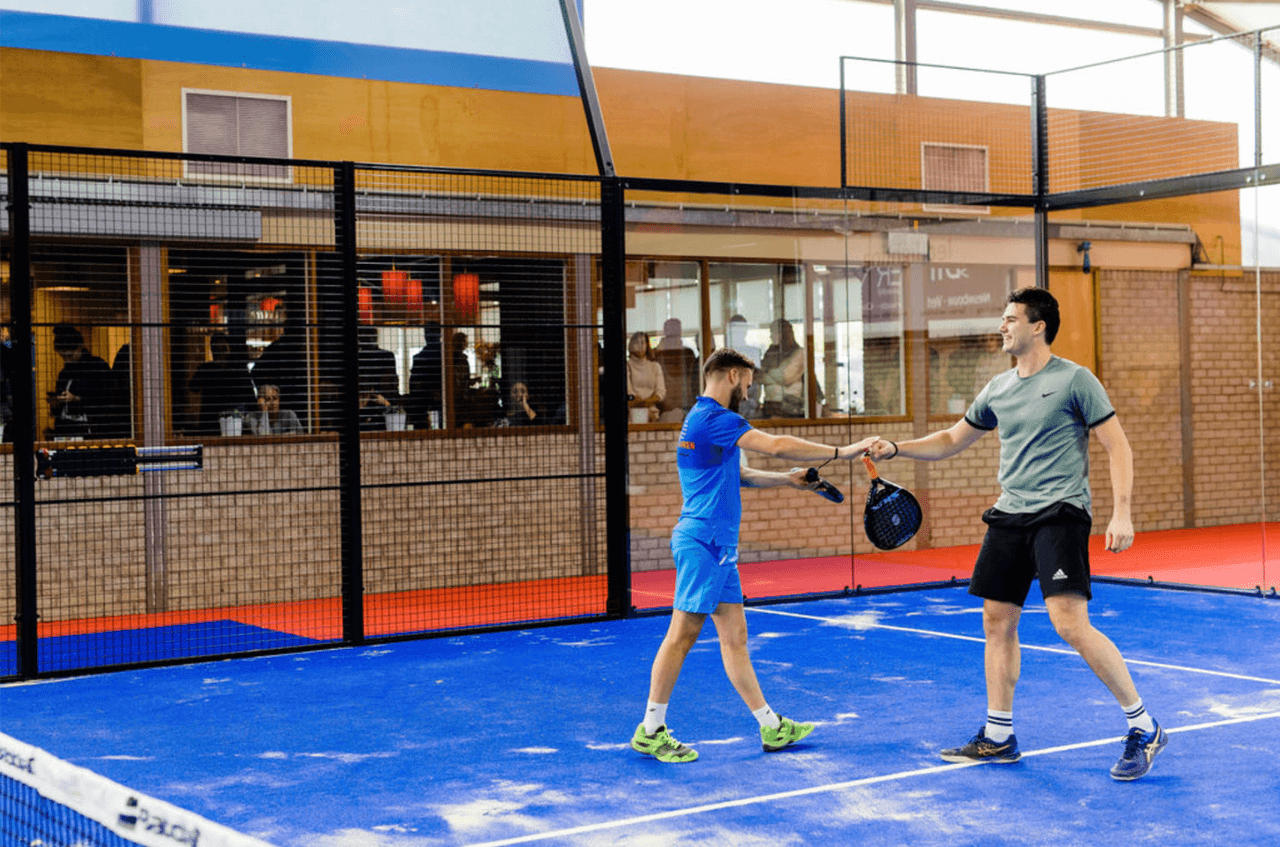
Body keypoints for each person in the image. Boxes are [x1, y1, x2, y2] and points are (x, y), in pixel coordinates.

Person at [864, 287, 1167, 781]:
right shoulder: (999, 387)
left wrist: (1123, 513)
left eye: (1010, 319)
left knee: (1069, 623)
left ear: (1037, 326)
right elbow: (951, 440)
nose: (1001, 327)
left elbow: (1117, 445)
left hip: (1060, 513)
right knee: (996, 619)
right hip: (1009, 514)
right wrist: (898, 447)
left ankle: (1144, 726)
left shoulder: (1075, 380)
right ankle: (1000, 735)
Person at [631, 347, 879, 763]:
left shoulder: (702, 420)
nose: (749, 388)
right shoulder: (716, 419)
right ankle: (650, 729)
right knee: (682, 635)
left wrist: (789, 481)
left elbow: (739, 474)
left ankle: (771, 727)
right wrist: (842, 452)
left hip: (718, 546)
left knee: (735, 640)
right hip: (703, 542)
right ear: (730, 375)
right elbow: (778, 444)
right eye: (746, 381)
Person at [48, 324, 111, 440]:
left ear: (79, 347)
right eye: (63, 357)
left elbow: (106, 398)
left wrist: (77, 399)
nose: (67, 360)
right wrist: (56, 402)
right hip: (66, 429)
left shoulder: (97, 366)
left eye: (69, 356)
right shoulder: (64, 372)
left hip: (90, 430)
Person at [189, 335, 256, 437]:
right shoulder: (206, 369)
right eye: (217, 348)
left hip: (233, 424)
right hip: (212, 425)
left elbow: (250, 398)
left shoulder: (238, 370)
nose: (220, 352)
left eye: (223, 348)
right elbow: (193, 387)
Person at [653, 318, 700, 424]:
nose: (674, 332)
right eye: (671, 329)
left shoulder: (688, 354)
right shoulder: (656, 354)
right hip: (663, 406)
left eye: (677, 329)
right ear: (665, 331)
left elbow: (694, 381)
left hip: (687, 404)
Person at [759, 319, 805, 418]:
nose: (770, 336)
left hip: (790, 408)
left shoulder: (800, 353)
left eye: (773, 333)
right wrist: (766, 376)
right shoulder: (771, 352)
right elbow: (759, 375)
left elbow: (784, 377)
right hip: (771, 407)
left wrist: (767, 375)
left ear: (784, 334)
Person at [407, 324, 443, 430]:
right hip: (442, 403)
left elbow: (413, 386)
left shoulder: (419, 358)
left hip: (424, 405)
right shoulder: (447, 355)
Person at [625, 331, 665, 423]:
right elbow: (629, 393)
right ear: (630, 345)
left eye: (643, 343)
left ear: (647, 345)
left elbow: (661, 392)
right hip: (631, 414)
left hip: (653, 414)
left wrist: (648, 401)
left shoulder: (655, 366)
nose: (640, 346)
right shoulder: (626, 366)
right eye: (636, 343)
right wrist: (639, 402)